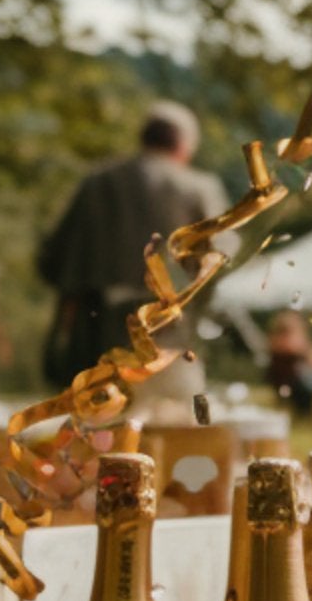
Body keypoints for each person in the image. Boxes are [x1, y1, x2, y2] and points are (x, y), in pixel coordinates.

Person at [37, 101, 229, 398]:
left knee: (98, 417)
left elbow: (53, 259)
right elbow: (222, 259)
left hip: (97, 329)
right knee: (171, 417)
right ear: (183, 146)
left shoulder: (96, 182)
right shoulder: (198, 188)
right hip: (167, 333)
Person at [265, 311, 312, 425]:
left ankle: (306, 415)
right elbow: (301, 353)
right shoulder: (282, 342)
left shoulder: (279, 341)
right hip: (291, 381)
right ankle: (306, 415)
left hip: (295, 379)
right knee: (310, 382)